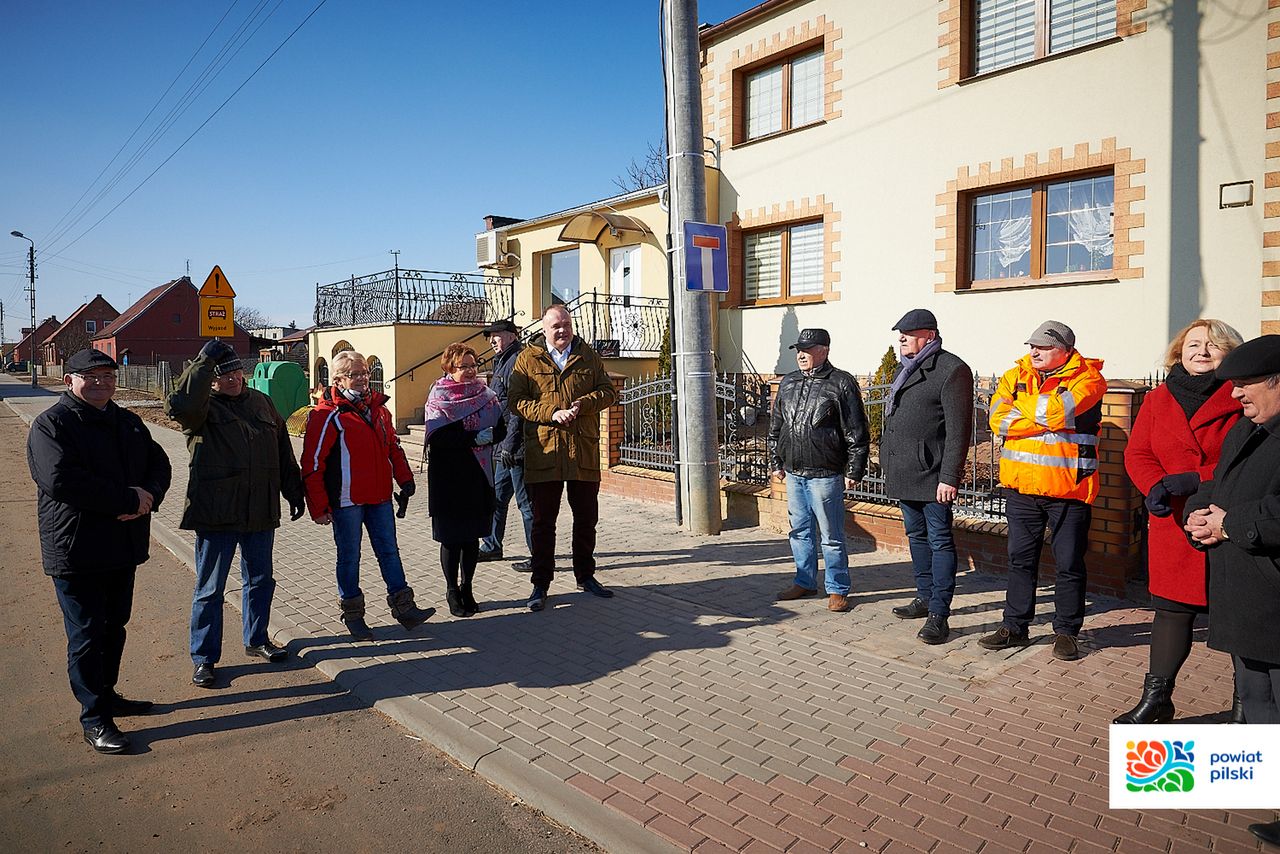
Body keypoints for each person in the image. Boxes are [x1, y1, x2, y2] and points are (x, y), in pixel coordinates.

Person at [27, 348, 171, 753]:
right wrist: (128, 500)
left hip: (122, 546)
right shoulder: (51, 424)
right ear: (69, 380)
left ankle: (107, 696)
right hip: (76, 548)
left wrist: (149, 497)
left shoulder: (127, 421)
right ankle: (94, 718)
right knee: (87, 634)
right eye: (91, 376)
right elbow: (61, 481)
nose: (101, 383)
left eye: (107, 376)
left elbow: (160, 465)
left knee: (114, 626)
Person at [1116, 320, 1243, 724]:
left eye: (1212, 345)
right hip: (1173, 521)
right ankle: (1157, 699)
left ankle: (1246, 707)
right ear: (1178, 350)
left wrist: (1198, 479)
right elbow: (1138, 452)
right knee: (1171, 611)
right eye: (1193, 344)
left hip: (1226, 520)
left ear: (1229, 352)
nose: (1201, 351)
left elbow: (1249, 462)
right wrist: (1153, 484)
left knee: (1241, 616)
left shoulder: (1242, 395)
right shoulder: (1157, 398)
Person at [1183, 334, 1280, 849]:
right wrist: (1195, 515)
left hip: (1275, 602)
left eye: (1246, 386)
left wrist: (1231, 524)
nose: (1236, 397)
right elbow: (1217, 484)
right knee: (1260, 704)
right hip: (1246, 603)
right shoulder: (1248, 428)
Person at [166, 340, 306, 688]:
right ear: (209, 381)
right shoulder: (200, 410)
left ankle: (257, 639)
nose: (231, 379)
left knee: (261, 580)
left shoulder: (261, 402)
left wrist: (293, 489)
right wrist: (202, 361)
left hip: (260, 508)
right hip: (217, 512)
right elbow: (178, 404)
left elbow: (282, 449)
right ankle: (204, 658)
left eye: (235, 372)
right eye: (222, 375)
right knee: (210, 589)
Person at [978, 321, 1106, 661]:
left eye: (1043, 347)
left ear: (1065, 350)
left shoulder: (1089, 379)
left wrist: (1022, 409)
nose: (1033, 351)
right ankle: (1015, 627)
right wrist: (1041, 413)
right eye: (1031, 345)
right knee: (1020, 560)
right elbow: (997, 419)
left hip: (1069, 491)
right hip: (1022, 489)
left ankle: (1066, 631)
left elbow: (1057, 412)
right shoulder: (1014, 374)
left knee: (1069, 564)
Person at [301, 349, 433, 639]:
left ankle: (405, 608)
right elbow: (311, 463)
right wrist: (319, 506)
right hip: (346, 501)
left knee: (389, 552)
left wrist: (406, 479)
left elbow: (393, 448)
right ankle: (353, 615)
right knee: (349, 557)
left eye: (365, 373)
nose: (362, 379)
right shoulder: (327, 415)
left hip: (380, 498)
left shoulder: (378, 409)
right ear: (337, 379)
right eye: (354, 374)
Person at [508, 305, 619, 612]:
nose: (562, 330)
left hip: (582, 450)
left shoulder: (587, 355)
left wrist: (584, 403)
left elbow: (609, 392)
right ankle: (540, 584)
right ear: (544, 330)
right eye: (556, 326)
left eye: (566, 324)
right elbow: (517, 401)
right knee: (543, 524)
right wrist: (551, 413)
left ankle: (586, 575)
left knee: (586, 520)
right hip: (545, 451)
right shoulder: (528, 359)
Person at [881, 309, 973, 643]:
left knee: (939, 541)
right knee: (916, 537)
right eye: (900, 333)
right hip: (906, 473)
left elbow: (959, 430)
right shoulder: (907, 368)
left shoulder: (951, 369)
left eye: (909, 332)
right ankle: (923, 596)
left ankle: (939, 613)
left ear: (930, 335)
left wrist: (950, 476)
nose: (901, 337)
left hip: (934, 477)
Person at [769, 328, 870, 613]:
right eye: (799, 349)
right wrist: (776, 461)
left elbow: (856, 431)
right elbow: (776, 426)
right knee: (799, 531)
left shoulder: (841, 383)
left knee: (831, 535)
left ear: (824, 350)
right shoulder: (788, 383)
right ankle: (804, 581)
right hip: (794, 473)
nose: (801, 354)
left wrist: (854, 469)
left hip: (825, 474)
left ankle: (837, 589)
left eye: (808, 349)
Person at [425, 343, 505, 616]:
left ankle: (467, 586)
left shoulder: (486, 394)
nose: (471, 371)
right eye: (464, 366)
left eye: (474, 365)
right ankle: (451, 590)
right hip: (449, 478)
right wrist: (473, 438)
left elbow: (501, 427)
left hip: (478, 475)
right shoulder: (439, 397)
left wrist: (491, 436)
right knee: (451, 539)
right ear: (450, 368)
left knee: (471, 538)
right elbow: (437, 437)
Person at [476, 320, 535, 570]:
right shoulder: (501, 361)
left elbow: (517, 411)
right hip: (503, 447)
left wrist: (511, 447)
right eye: (490, 336)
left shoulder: (517, 362)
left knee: (526, 505)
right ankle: (491, 547)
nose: (492, 340)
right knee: (496, 498)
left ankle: (539, 556)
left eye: (497, 335)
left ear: (512, 336)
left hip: (515, 449)